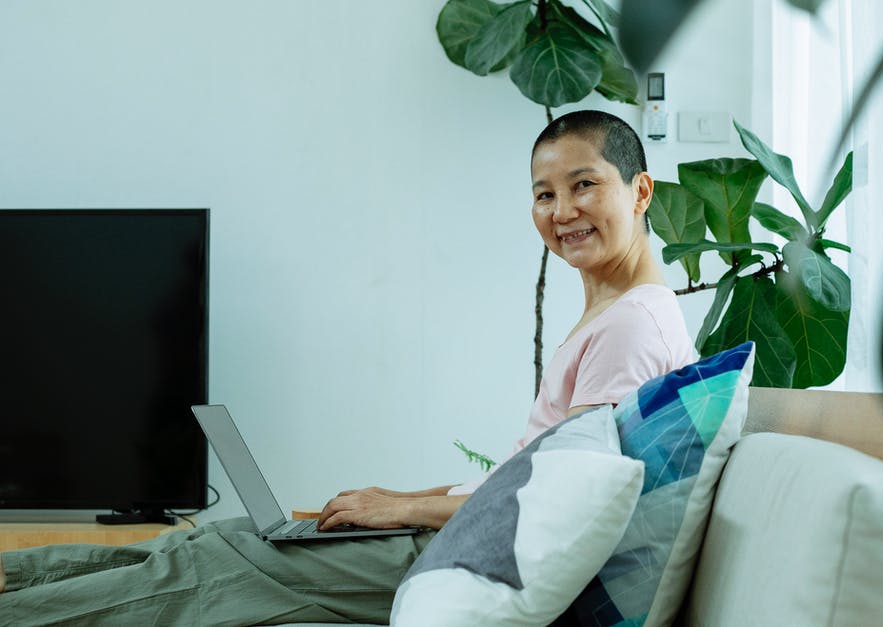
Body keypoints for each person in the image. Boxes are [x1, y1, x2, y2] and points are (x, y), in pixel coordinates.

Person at [0, 109, 695, 625]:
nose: (562, 210)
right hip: (455, 533)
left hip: (466, 558)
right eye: (545, 193)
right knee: (227, 539)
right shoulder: (617, 312)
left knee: (208, 565)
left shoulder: (632, 324)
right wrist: (397, 501)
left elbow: (556, 499)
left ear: (640, 192)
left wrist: (405, 510)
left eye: (584, 185)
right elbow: (531, 471)